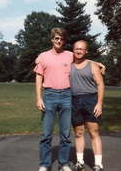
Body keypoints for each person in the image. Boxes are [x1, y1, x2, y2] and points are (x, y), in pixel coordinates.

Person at [34, 28, 105, 171]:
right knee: (46, 134)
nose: (58, 41)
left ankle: (64, 164)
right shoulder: (43, 56)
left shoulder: (68, 54)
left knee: (66, 134)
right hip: (49, 95)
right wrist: (38, 98)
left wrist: (97, 63)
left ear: (64, 41)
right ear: (52, 40)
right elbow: (38, 77)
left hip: (67, 96)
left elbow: (82, 56)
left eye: (61, 39)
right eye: (56, 38)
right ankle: (44, 164)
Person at [70, 40, 105, 171]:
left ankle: (98, 164)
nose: (79, 51)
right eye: (76, 49)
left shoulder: (92, 65)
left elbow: (100, 85)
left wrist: (99, 103)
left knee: (93, 132)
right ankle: (79, 162)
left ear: (86, 51)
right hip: (74, 101)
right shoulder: (69, 63)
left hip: (91, 100)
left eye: (82, 49)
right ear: (73, 50)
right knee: (78, 133)